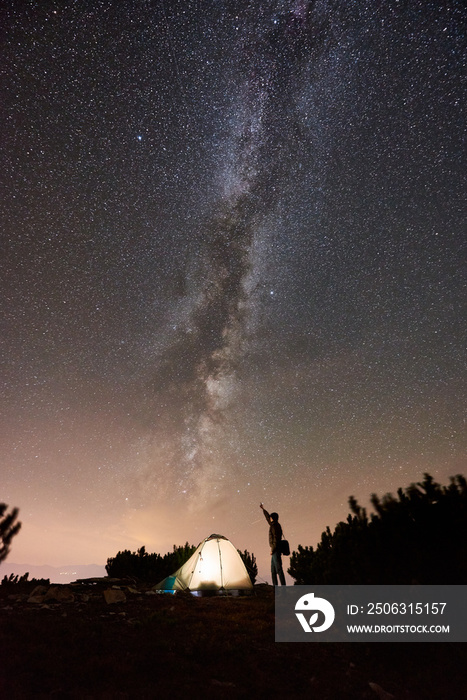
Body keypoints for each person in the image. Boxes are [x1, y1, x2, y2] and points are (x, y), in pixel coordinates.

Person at [260, 502, 286, 586]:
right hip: (274, 550)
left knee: (278, 569)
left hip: (275, 550)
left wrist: (272, 550)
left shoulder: (275, 527)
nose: (270, 518)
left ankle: (283, 587)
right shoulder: (273, 525)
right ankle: (275, 587)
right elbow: (267, 518)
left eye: (271, 517)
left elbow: (276, 540)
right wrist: (263, 510)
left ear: (273, 518)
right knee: (273, 570)